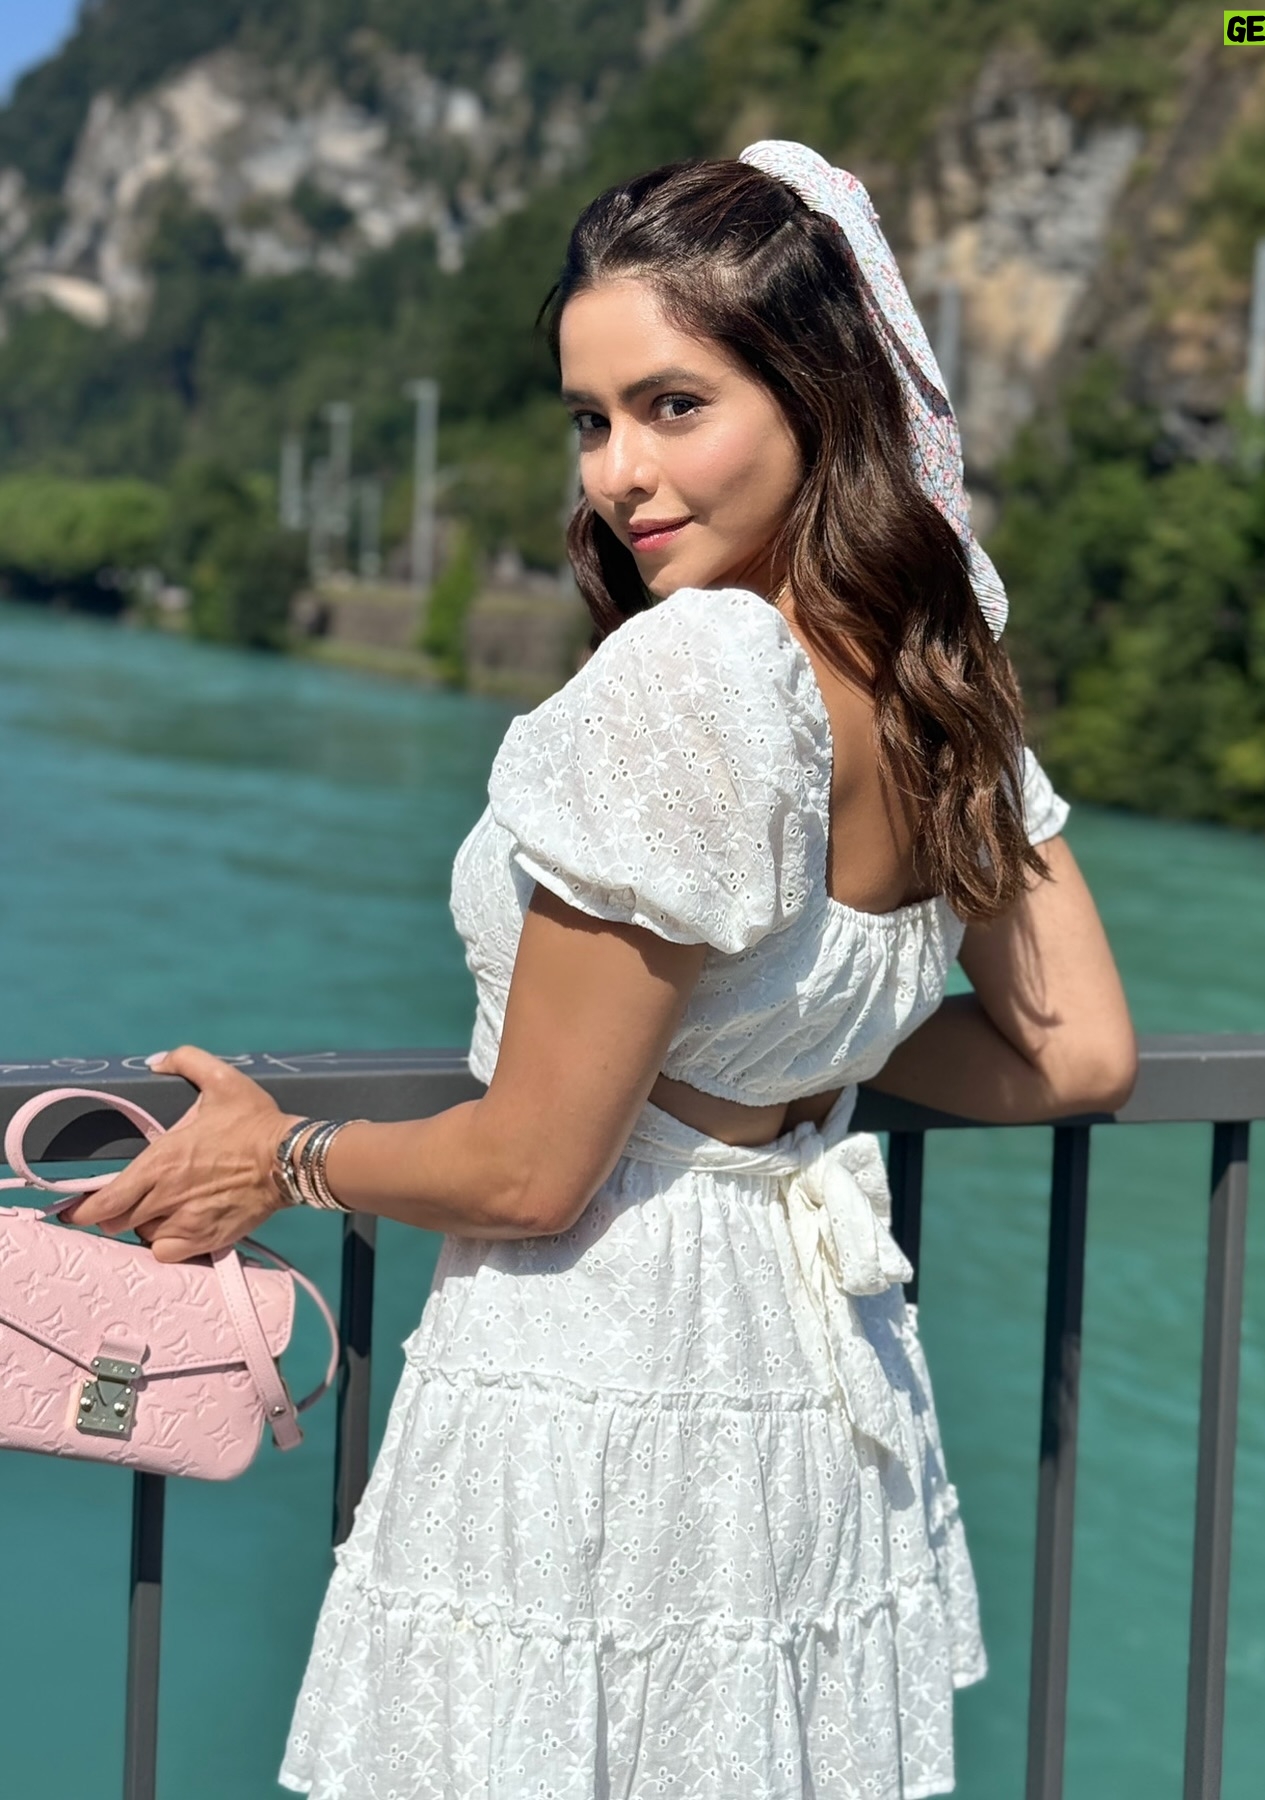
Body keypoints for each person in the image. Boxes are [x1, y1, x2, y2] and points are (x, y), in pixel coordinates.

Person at [66, 142, 1136, 1799]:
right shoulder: (934, 677)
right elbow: (1076, 1054)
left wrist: (279, 1157)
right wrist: (781, 1050)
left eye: (674, 407)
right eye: (590, 420)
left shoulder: (699, 673)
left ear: (816, 399)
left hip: (604, 1370)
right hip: (797, 1387)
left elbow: (531, 1170)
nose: (621, 475)